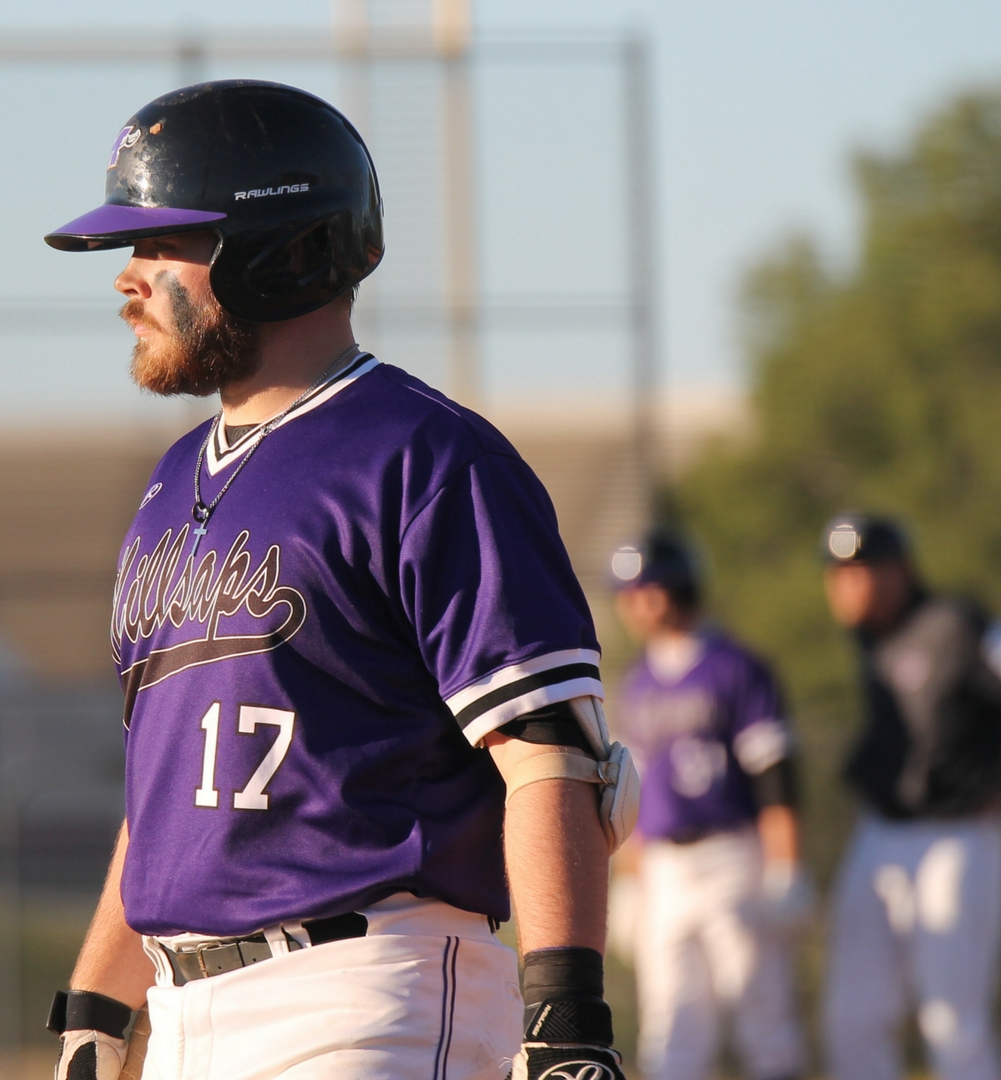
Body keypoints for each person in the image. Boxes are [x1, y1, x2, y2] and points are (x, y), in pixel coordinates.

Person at [41, 79, 639, 1080]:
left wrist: (567, 1019)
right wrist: (97, 1013)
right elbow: (164, 801)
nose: (130, 277)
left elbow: (547, 753)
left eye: (160, 243)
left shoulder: (425, 455)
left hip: (368, 996)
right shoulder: (167, 486)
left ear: (272, 249)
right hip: (185, 1010)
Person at [605, 534, 807, 1080]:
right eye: (628, 593)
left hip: (732, 855)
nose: (634, 604)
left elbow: (776, 779)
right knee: (670, 1025)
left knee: (762, 1011)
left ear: (679, 587)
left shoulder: (736, 666)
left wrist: (786, 864)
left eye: (647, 589)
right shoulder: (637, 681)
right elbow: (633, 793)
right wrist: (631, 878)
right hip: (666, 869)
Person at [819, 514, 1001, 1080]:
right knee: (852, 1018)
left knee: (952, 1022)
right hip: (881, 834)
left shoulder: (956, 624)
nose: (847, 585)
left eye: (861, 570)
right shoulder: (870, 638)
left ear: (899, 571)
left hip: (958, 834)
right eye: (837, 572)